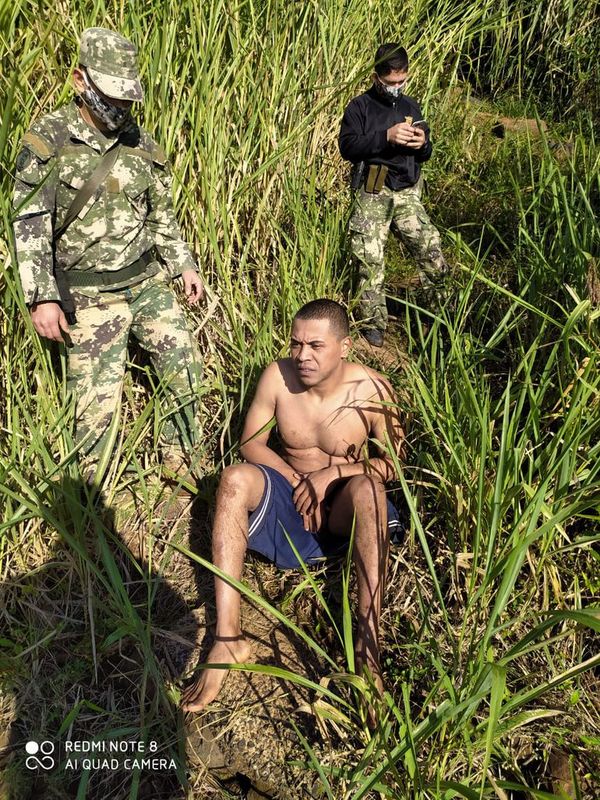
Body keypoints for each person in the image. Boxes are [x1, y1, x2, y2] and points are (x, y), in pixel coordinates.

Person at [181, 299, 404, 713]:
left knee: (370, 490)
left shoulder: (372, 388)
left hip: (343, 507)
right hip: (290, 497)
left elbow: (395, 464)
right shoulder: (277, 378)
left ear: (345, 347)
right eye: (296, 343)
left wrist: (331, 476)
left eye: (316, 345)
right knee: (233, 479)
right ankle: (227, 639)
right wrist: (299, 479)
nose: (302, 356)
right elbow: (251, 443)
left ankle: (368, 651)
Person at [12, 28, 204, 481]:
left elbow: (162, 214)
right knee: (95, 405)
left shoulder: (142, 144)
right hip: (88, 295)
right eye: (112, 98)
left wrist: (183, 264)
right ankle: (93, 496)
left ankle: (181, 464)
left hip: (146, 283)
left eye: (128, 100)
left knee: (184, 362)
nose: (120, 109)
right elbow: (29, 222)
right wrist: (41, 296)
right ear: (81, 80)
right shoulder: (49, 141)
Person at [339, 43, 447, 347]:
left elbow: (426, 153)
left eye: (402, 81)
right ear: (376, 78)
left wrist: (422, 143)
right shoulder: (359, 107)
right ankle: (374, 324)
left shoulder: (411, 106)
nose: (397, 88)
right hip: (373, 190)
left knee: (429, 248)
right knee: (369, 257)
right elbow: (348, 147)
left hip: (407, 191)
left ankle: (444, 311)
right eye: (391, 83)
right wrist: (385, 137)